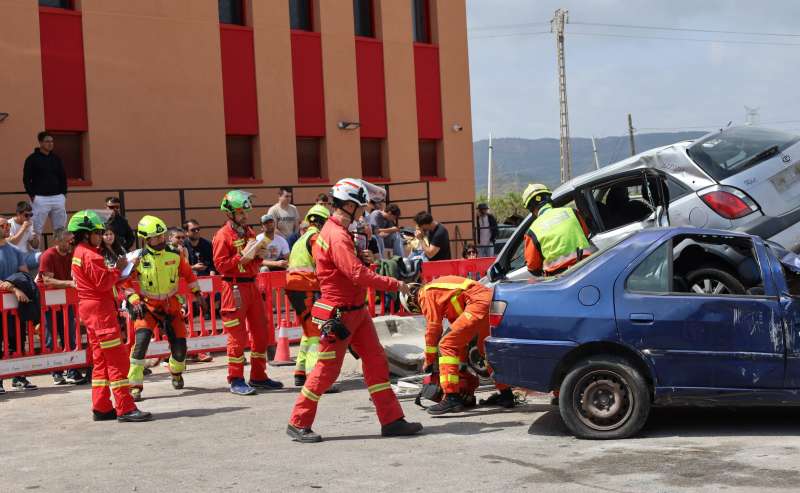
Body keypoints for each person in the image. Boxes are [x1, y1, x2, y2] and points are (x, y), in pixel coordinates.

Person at [286, 178, 422, 443]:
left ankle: (392, 420)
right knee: (326, 370)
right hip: (341, 312)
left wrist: (362, 257)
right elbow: (356, 274)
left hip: (355, 311)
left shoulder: (339, 232)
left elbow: (350, 269)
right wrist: (397, 284)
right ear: (348, 205)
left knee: (376, 362)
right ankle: (298, 421)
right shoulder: (336, 235)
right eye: (361, 207)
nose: (364, 212)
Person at [68, 209, 151, 422]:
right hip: (101, 313)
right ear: (86, 234)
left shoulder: (79, 252)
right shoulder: (91, 255)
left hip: (91, 312)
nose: (101, 235)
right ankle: (126, 408)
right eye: (98, 231)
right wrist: (119, 268)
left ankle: (102, 406)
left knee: (101, 361)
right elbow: (103, 283)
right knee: (117, 361)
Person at [400, 277, 514, 414]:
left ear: (412, 303)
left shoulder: (425, 294)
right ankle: (506, 394)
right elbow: (460, 339)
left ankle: (451, 398)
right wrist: (460, 367)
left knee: (445, 345)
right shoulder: (441, 292)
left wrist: (429, 360)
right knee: (485, 350)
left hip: (477, 303)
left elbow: (433, 328)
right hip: (490, 300)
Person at [123, 216, 202, 402]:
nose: (161, 239)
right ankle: (134, 386)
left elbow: (189, 275)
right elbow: (124, 283)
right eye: (156, 237)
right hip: (147, 307)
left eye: (162, 235)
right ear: (146, 239)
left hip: (171, 305)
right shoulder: (137, 258)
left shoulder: (175, 254)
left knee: (180, 349)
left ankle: (175, 371)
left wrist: (198, 294)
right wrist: (134, 299)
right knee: (140, 345)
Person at [213, 190, 283, 395]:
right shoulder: (222, 235)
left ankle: (259, 376)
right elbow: (220, 265)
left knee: (261, 333)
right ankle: (235, 379)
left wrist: (260, 252)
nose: (245, 216)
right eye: (241, 213)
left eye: (245, 212)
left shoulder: (249, 232)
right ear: (230, 214)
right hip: (233, 288)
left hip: (252, 285)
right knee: (237, 336)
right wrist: (240, 257)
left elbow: (256, 259)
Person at [285, 205, 337, 390]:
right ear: (323, 222)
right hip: (306, 287)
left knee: (308, 331)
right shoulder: (316, 238)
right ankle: (316, 379)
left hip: (295, 288)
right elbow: (321, 264)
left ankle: (300, 372)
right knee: (316, 333)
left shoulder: (301, 239)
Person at [38, 228, 88, 385]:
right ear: (57, 241)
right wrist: (69, 283)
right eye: (68, 240)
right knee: (51, 337)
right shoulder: (48, 255)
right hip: (50, 303)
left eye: (71, 240)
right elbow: (47, 280)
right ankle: (56, 372)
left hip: (68, 301)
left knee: (70, 336)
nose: (71, 242)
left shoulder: (73, 254)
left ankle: (72, 370)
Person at [521, 183, 594, 276]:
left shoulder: (532, 231)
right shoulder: (572, 212)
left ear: (531, 209)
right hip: (587, 267)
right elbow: (586, 233)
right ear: (549, 199)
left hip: (561, 279)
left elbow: (533, 266)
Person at [0, 216, 37, 393]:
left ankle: (19, 377)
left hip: (15, 307)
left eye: (7, 225)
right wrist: (14, 289)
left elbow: (24, 275)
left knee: (18, 341)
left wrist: (13, 286)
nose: (7, 228)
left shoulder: (15, 250)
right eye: (2, 226)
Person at [23, 131, 67, 236]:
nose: (50, 144)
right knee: (35, 229)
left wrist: (63, 194)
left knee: (60, 229)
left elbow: (63, 176)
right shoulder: (32, 159)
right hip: (40, 199)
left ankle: (59, 251)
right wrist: (32, 195)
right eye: (47, 141)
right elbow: (26, 179)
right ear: (41, 143)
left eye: (52, 141)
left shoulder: (56, 158)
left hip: (58, 198)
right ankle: (35, 252)